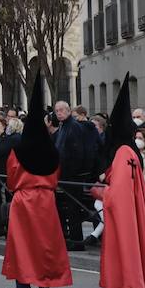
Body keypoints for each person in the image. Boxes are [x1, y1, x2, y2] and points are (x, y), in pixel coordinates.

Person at [0, 76, 71, 288]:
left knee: (22, 243)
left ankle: (23, 285)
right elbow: (56, 176)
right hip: (46, 200)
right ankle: (45, 285)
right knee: (46, 242)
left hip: (24, 200)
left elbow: (11, 178)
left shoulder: (18, 151)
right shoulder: (53, 151)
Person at [96, 76, 145, 288]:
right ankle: (137, 287)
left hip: (124, 213)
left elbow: (117, 192)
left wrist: (100, 193)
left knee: (126, 249)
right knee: (136, 247)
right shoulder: (131, 151)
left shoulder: (122, 153)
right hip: (134, 209)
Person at [53, 100, 97, 250]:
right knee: (69, 208)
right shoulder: (64, 126)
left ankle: (76, 240)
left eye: (61, 110)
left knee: (73, 209)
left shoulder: (74, 126)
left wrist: (70, 172)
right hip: (65, 175)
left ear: (68, 110)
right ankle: (71, 237)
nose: (59, 113)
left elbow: (77, 152)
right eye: (57, 111)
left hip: (72, 175)